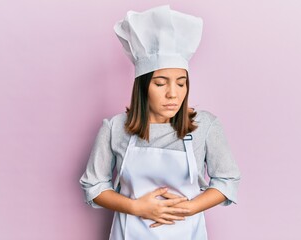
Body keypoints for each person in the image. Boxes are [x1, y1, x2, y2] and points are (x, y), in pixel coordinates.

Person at [79, 5, 241, 240]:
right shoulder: (115, 128)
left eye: (181, 83)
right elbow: (93, 186)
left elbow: (227, 180)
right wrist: (136, 208)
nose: (173, 94)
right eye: (161, 83)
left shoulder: (205, 126)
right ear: (143, 87)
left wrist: (190, 207)